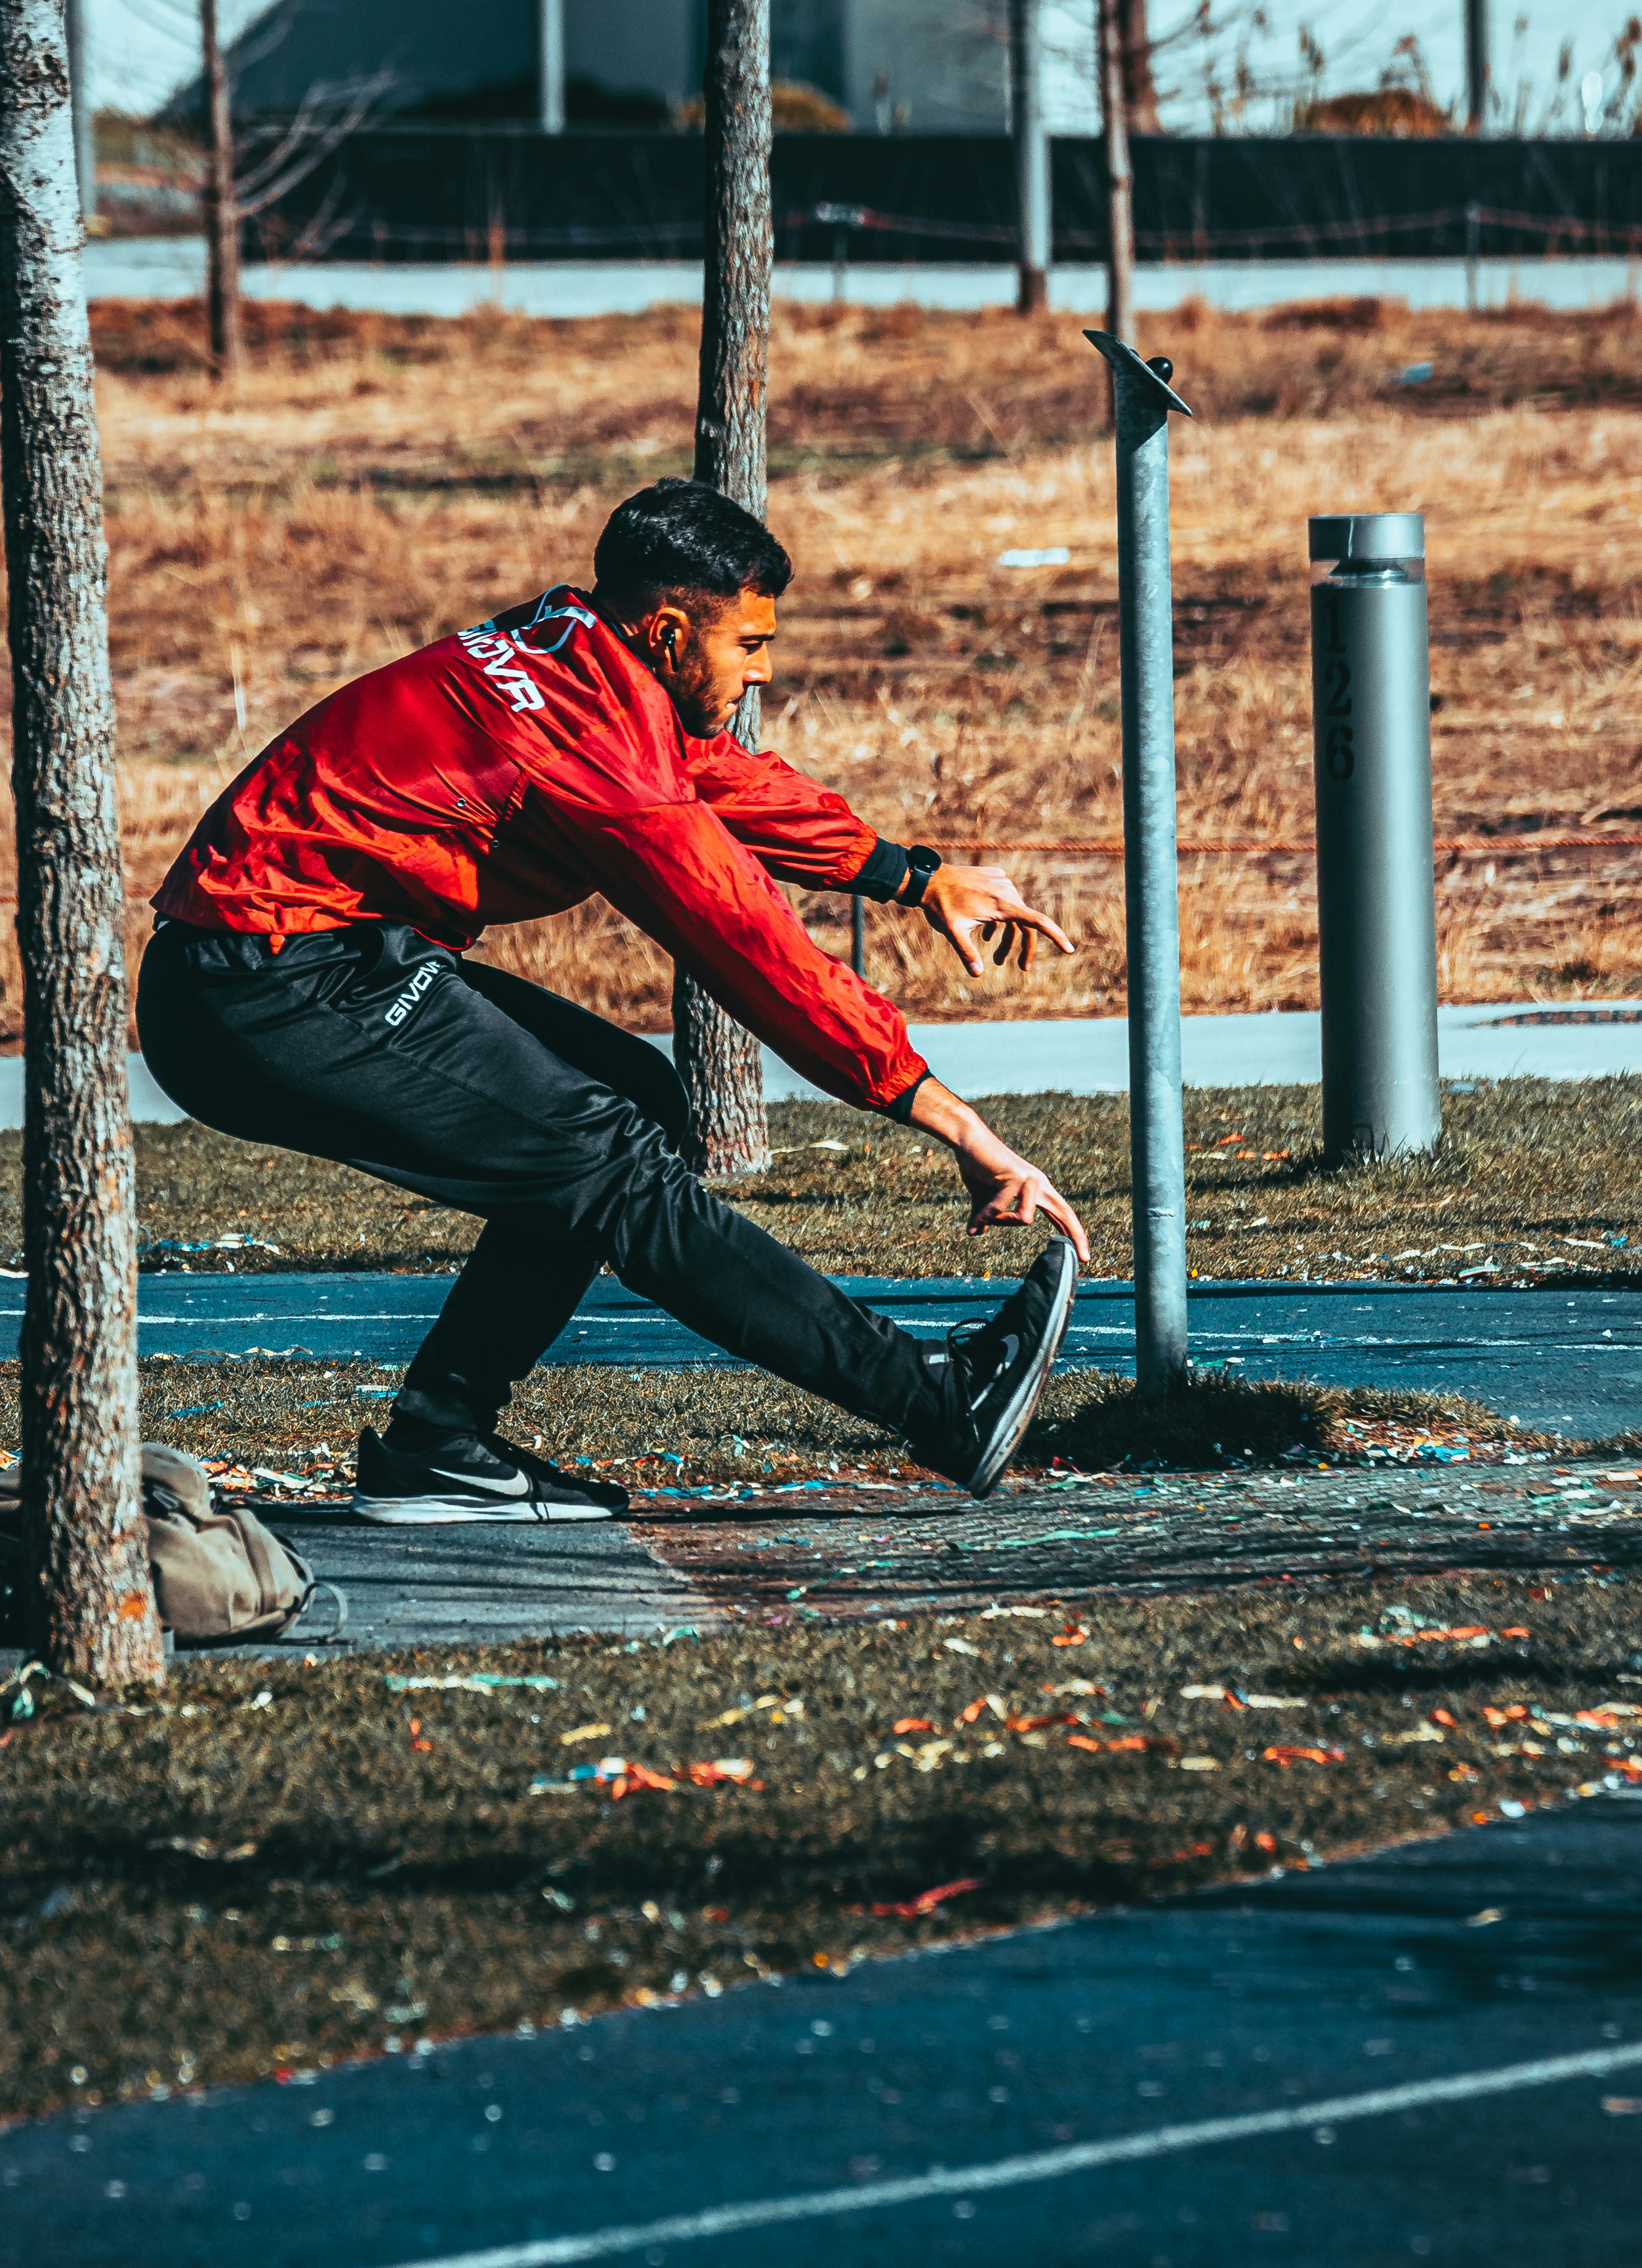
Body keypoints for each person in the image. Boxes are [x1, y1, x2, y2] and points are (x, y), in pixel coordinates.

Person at [139, 478, 1096, 1521]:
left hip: (295, 961)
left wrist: (913, 875)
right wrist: (951, 1118)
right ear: (671, 628)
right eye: (750, 645)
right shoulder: (595, 744)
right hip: (264, 990)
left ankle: (440, 1443)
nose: (764, 667)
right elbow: (749, 943)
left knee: (634, 1099)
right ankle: (940, 1403)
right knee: (615, 1164)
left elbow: (718, 779)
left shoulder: (574, 643)